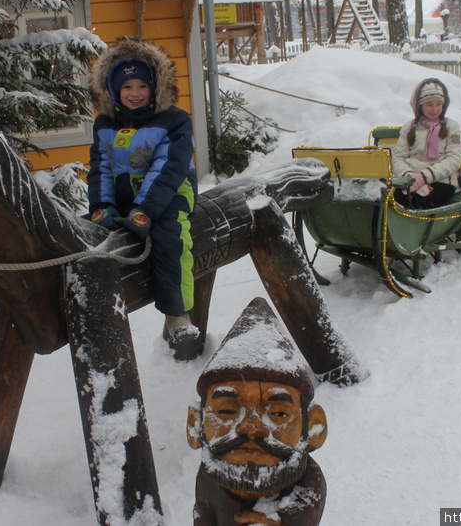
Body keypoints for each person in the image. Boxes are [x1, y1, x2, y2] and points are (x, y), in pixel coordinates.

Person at [87, 37, 202, 361]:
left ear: (156, 87)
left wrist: (146, 209)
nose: (135, 93)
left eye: (142, 85)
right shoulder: (105, 124)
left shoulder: (174, 121)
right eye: (127, 87)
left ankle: (177, 316)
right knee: (88, 234)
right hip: (126, 196)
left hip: (169, 191)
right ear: (112, 90)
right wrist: (102, 205)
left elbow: (168, 167)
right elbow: (101, 167)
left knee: (169, 236)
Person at [187, 297, 328, 525]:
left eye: (279, 414)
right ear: (195, 425)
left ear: (313, 427)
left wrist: (280, 521)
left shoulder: (307, 481)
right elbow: (203, 513)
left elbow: (307, 512)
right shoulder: (210, 475)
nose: (250, 426)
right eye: (226, 411)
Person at [391, 78, 461, 210]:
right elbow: (398, 157)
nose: (435, 109)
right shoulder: (410, 127)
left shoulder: (451, 126)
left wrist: (424, 177)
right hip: (410, 180)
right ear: (419, 105)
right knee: (391, 203)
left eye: (438, 104)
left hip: (440, 181)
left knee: (419, 204)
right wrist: (410, 178)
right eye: (429, 104)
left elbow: (454, 159)